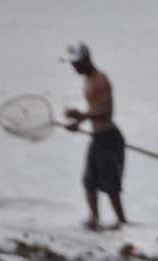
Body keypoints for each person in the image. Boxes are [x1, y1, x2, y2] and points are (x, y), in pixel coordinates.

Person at [62, 43, 126, 230]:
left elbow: (105, 111)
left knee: (110, 185)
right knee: (89, 181)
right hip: (97, 136)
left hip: (109, 137)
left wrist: (81, 116)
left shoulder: (100, 80)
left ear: (86, 61)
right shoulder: (87, 80)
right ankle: (94, 219)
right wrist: (78, 122)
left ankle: (121, 222)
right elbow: (93, 110)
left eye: (76, 63)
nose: (73, 67)